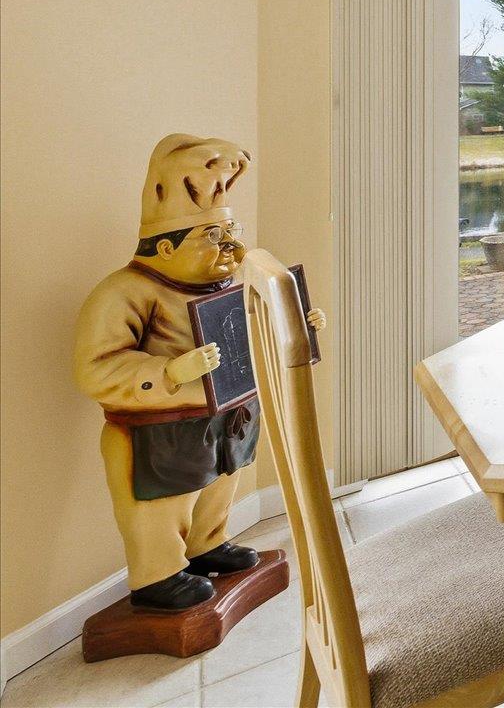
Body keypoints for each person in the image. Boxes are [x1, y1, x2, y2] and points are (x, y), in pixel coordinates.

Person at [72, 134, 322, 611]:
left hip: (228, 415)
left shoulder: (227, 283)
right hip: (159, 431)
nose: (231, 246)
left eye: (230, 232)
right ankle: (158, 574)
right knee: (162, 507)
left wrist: (297, 323)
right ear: (166, 248)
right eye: (213, 237)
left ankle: (208, 543)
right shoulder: (124, 293)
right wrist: (169, 371)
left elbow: (249, 330)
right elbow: (95, 368)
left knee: (220, 485)